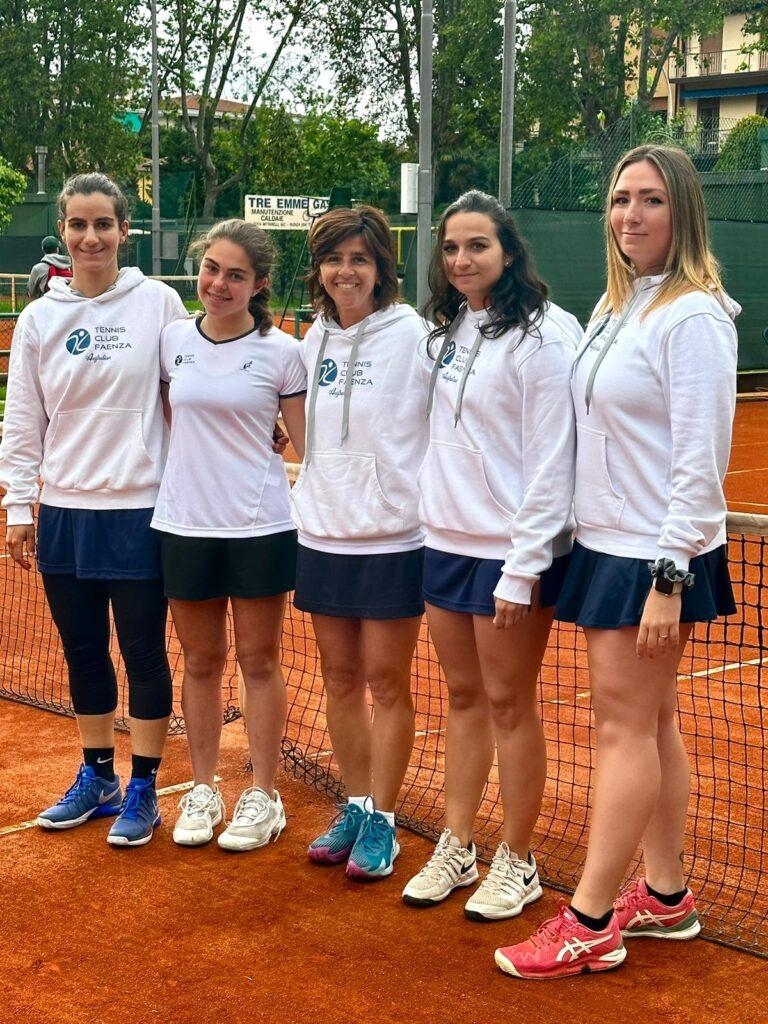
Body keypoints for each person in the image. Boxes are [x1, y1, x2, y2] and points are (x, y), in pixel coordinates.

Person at [495, 144, 739, 980]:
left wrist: (670, 579)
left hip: (651, 560)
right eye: (620, 199)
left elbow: (700, 465)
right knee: (655, 724)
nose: (630, 215)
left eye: (650, 200)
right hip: (608, 545)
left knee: (622, 729)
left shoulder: (694, 317)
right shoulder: (615, 304)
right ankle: (665, 897)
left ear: (683, 214)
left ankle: (591, 919)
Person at [400, 190, 580, 918]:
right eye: (450, 247)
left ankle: (519, 858)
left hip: (513, 555)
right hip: (445, 543)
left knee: (510, 702)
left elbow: (552, 461)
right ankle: (457, 842)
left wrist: (524, 563)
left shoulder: (547, 337)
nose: (462, 259)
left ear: (508, 250)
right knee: (464, 698)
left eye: (477, 245)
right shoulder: (444, 334)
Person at [0, 172, 187, 846]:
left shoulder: (159, 303)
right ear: (63, 231)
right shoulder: (41, 318)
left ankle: (144, 786)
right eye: (78, 225)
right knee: (82, 650)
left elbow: (190, 391)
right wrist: (20, 506)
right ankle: (97, 775)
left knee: (142, 651)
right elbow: (23, 419)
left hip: (140, 509)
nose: (90, 237)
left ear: (123, 230)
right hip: (66, 512)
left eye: (102, 224)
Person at [150, 219, 306, 850]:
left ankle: (264, 795)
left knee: (259, 660)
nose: (218, 283)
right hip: (184, 521)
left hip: (260, 524)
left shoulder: (283, 352)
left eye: (236, 275)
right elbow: (166, 418)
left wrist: (277, 435)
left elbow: (306, 441)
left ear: (258, 284)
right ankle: (205, 786)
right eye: (212, 268)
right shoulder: (169, 342)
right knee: (200, 661)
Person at [291, 205, 430, 880]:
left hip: (393, 537)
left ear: (382, 270)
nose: (346, 271)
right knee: (340, 680)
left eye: (360, 260)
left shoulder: (413, 337)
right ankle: (355, 802)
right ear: (318, 270)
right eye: (334, 259)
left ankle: (385, 819)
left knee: (385, 681)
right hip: (321, 532)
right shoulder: (311, 340)